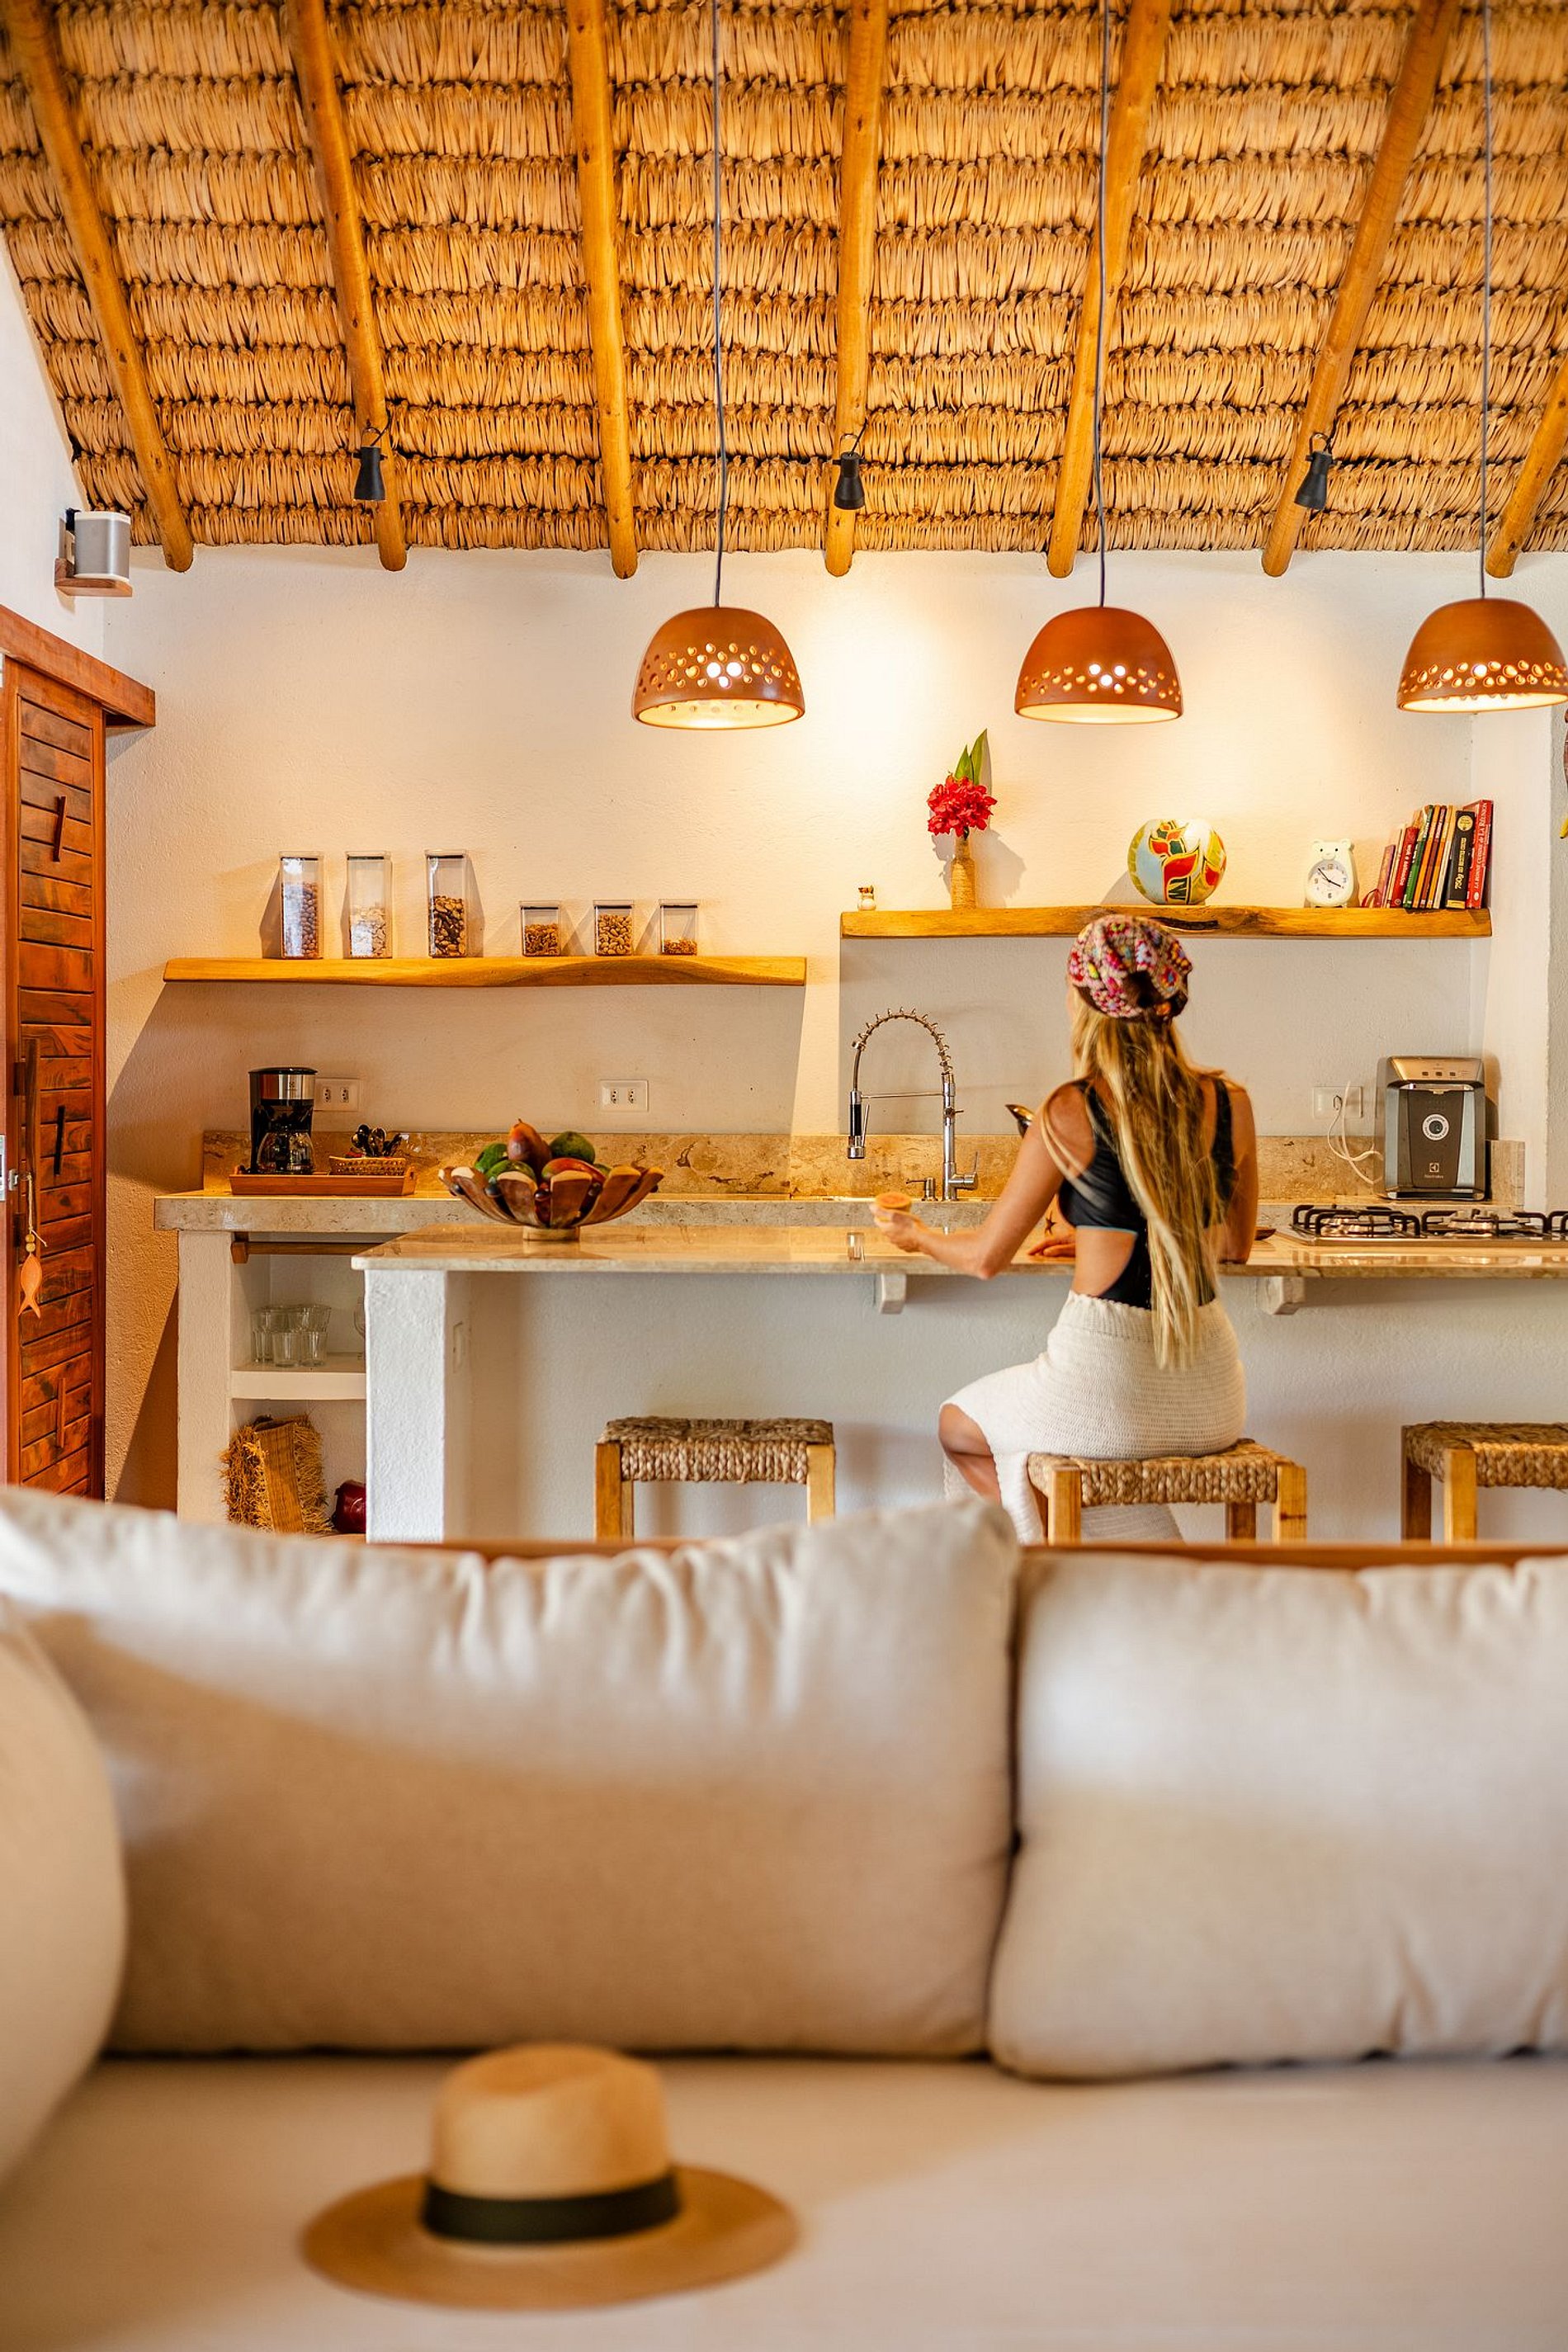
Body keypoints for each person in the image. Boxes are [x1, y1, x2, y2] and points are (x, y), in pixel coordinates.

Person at [878, 913, 1258, 1542]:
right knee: (1046, 1443)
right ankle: (1116, 1563)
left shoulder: (1070, 1109)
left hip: (1109, 1391)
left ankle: (1061, 1564)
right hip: (1214, 1399)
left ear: (1088, 1004)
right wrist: (1095, 1236)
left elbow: (985, 1258)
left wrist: (915, 1235)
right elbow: (1234, 1246)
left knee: (959, 1425)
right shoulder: (1231, 1103)